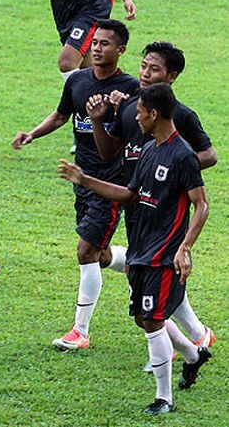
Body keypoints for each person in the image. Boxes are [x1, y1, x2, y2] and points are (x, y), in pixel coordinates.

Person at [58, 83, 211, 415]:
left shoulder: (182, 155)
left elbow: (201, 205)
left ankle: (164, 399)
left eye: (139, 112)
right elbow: (129, 194)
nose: (135, 117)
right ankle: (194, 354)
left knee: (153, 321)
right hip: (141, 248)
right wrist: (84, 179)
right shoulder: (148, 149)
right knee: (145, 319)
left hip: (164, 253)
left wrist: (184, 247)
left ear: (154, 114)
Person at [88, 41, 217, 370]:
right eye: (143, 66)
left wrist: (168, 173)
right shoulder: (135, 108)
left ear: (171, 76)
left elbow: (208, 156)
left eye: (154, 69)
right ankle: (196, 341)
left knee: (153, 281)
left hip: (163, 212)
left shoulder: (180, 114)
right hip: (134, 204)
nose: (144, 73)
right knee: (147, 278)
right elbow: (109, 152)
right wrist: (102, 120)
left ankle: (172, 358)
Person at [12, 19, 138, 351]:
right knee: (100, 254)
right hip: (80, 178)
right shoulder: (78, 81)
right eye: (94, 43)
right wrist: (32, 134)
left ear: (120, 50)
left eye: (105, 44)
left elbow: (130, 139)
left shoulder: (130, 89)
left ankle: (80, 331)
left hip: (111, 182)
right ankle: (137, 266)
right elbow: (61, 115)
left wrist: (112, 111)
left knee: (85, 251)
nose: (96, 48)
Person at [27, 0, 136, 81]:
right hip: (65, 11)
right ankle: (111, 93)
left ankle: (73, 98)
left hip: (94, 9)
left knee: (67, 62)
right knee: (89, 70)